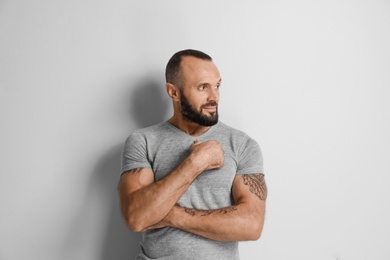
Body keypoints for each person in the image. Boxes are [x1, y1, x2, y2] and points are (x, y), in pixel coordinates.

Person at [119, 49, 267, 260]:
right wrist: (195, 163)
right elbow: (136, 217)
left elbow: (252, 225)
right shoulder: (143, 141)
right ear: (173, 92)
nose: (214, 97)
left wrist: (171, 215)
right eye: (202, 87)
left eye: (217, 86)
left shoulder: (242, 145)